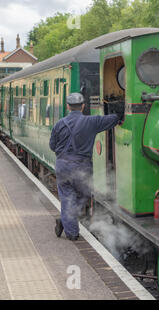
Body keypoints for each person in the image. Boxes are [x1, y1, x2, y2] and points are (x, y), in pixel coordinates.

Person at [50, 93, 121, 241]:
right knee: (84, 195)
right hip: (82, 166)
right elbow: (114, 119)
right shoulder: (92, 122)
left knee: (67, 199)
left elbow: (52, 146)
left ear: (68, 106)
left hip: (63, 165)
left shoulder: (59, 124)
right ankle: (72, 233)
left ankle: (65, 222)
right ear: (83, 106)